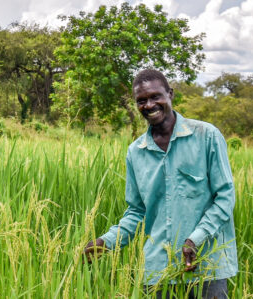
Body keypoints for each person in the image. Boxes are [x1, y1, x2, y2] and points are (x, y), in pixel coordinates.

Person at [82, 69, 238, 298]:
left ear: (170, 94)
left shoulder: (206, 136)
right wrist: (105, 243)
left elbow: (225, 198)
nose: (149, 105)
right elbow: (137, 212)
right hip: (158, 271)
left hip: (207, 268)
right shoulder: (136, 152)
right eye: (141, 100)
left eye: (156, 96)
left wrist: (194, 240)